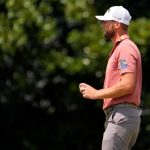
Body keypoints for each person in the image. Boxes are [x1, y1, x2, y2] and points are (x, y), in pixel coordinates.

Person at [79, 6, 142, 150]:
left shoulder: (125, 47)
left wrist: (96, 93)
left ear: (117, 24)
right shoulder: (121, 48)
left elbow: (127, 85)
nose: (103, 25)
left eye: (106, 21)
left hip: (121, 116)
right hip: (121, 116)